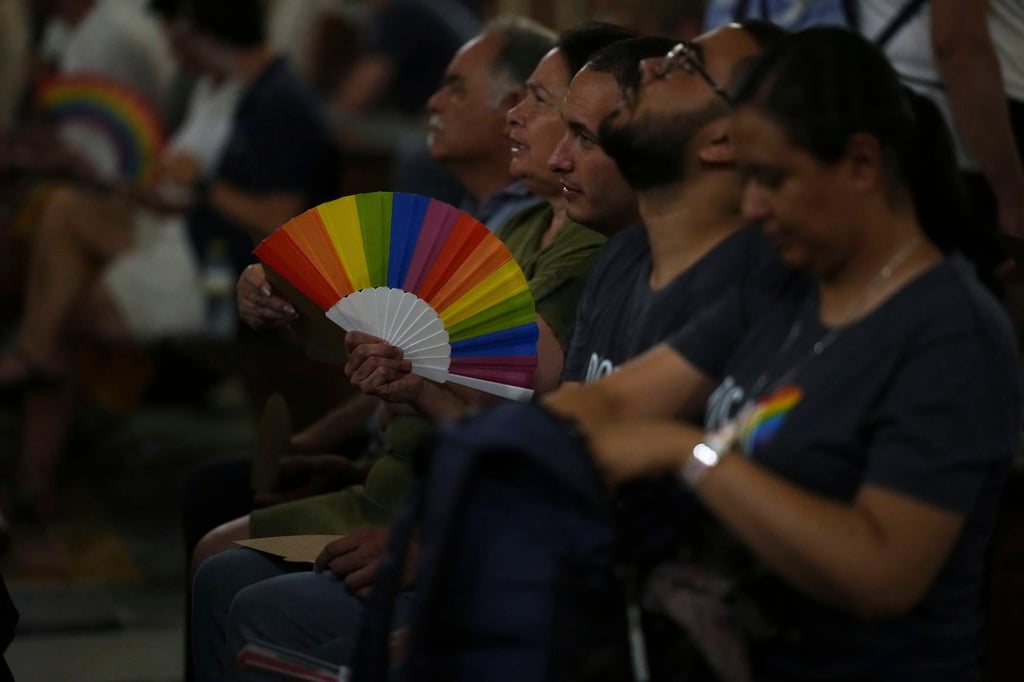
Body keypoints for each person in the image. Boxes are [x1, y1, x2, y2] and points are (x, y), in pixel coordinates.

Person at [543, 26, 1021, 680]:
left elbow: (883, 574)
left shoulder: (952, 333)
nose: (753, 205)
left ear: (861, 165)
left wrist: (690, 454)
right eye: (748, 179)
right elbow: (615, 400)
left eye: (773, 179)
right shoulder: (780, 286)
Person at [190, 22, 636, 681]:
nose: (515, 116)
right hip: (419, 481)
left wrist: (428, 515)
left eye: (551, 110)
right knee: (221, 553)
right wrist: (283, 285)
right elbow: (406, 346)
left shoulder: (598, 252)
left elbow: (506, 390)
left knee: (229, 574)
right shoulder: (520, 225)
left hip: (454, 509)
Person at [0, 0, 336, 525]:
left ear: (199, 30)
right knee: (62, 212)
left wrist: (199, 184)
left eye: (176, 32)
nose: (171, 49)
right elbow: (187, 189)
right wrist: (144, 186)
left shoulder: (282, 101)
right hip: (189, 239)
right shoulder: (220, 86)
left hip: (225, 277)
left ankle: (34, 471)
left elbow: (279, 218)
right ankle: (34, 371)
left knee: (64, 305)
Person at [554, 23, 785, 387]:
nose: (649, 66)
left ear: (723, 140)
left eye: (686, 65)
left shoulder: (755, 291)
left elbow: (608, 411)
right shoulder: (621, 255)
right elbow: (569, 410)